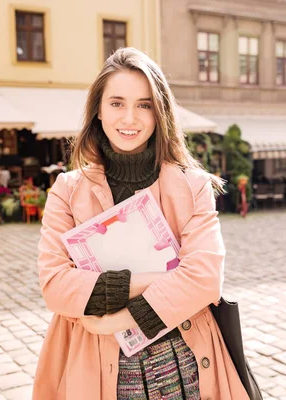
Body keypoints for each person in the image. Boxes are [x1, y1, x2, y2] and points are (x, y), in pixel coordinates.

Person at [33, 48, 248, 400]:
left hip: (183, 361)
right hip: (95, 365)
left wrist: (116, 319)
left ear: (159, 113)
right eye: (117, 103)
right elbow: (55, 285)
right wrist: (157, 280)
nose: (129, 117)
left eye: (144, 105)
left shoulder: (193, 186)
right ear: (98, 112)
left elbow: (205, 278)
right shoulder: (67, 191)